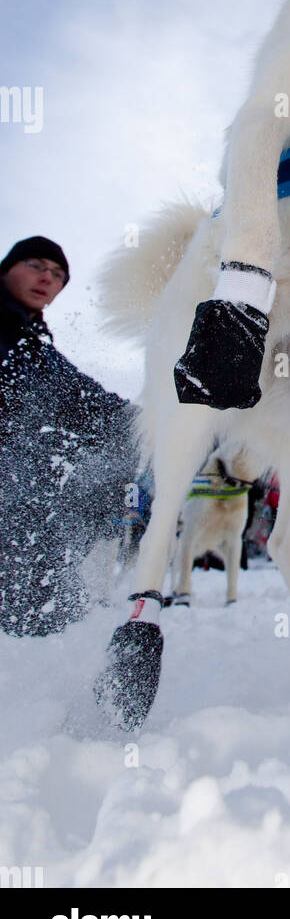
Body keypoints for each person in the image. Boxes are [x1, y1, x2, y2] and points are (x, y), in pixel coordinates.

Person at [0, 236, 138, 636]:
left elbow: (87, 400)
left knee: (49, 611)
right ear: (8, 268)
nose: (47, 278)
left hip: (27, 507)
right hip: (14, 499)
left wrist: (157, 422)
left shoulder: (33, 343)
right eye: (36, 265)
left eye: (58, 274)